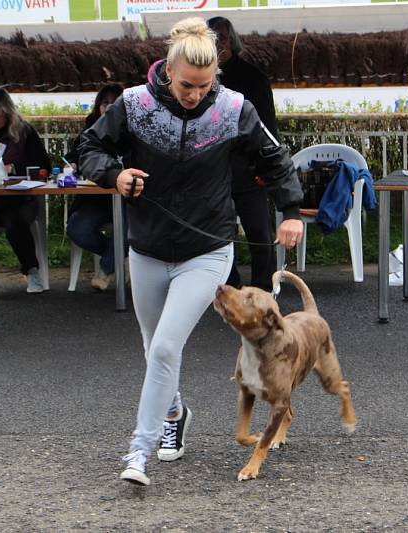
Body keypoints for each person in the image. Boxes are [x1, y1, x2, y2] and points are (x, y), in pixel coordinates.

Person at [80, 17, 304, 486]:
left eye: (204, 86)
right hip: (147, 248)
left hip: (208, 249)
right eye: (186, 85)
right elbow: (88, 147)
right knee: (152, 349)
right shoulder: (134, 105)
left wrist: (289, 211)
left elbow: (275, 158)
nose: (194, 95)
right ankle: (176, 412)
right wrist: (113, 175)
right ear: (168, 72)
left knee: (165, 346)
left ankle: (138, 452)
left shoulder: (233, 108)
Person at [208, 16, 280, 292]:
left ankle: (264, 289)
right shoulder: (201, 78)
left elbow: (268, 128)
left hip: (249, 169)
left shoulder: (252, 76)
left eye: (222, 38)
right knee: (220, 235)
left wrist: (265, 168)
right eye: (211, 39)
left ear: (232, 41)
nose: (217, 45)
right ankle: (230, 289)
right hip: (214, 171)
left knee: (260, 233)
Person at [0, 88, 51, 294]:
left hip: (18, 199)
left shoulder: (24, 132)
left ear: (8, 114)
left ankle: (31, 271)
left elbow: (43, 166)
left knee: (15, 223)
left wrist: (13, 169)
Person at [64, 83, 126, 291]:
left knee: (132, 227)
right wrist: (72, 164)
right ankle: (117, 258)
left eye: (114, 103)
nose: (108, 108)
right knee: (76, 228)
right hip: (94, 198)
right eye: (104, 103)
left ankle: (105, 269)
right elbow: (75, 157)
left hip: (128, 198)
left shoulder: (134, 130)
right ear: (98, 106)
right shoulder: (88, 130)